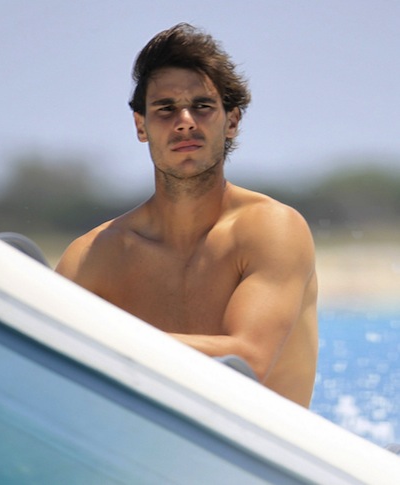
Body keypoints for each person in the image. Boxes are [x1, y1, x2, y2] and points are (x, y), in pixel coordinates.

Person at [56, 23, 318, 407]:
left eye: (202, 106)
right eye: (165, 108)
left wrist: (99, 334)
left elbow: (247, 361)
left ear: (231, 122)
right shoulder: (93, 256)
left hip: (261, 443)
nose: (184, 121)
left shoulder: (270, 229)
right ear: (141, 126)